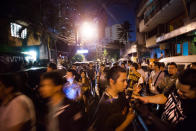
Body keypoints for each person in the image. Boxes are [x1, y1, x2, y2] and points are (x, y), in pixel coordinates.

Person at [92, 66, 135, 131]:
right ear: (112, 81)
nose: (126, 84)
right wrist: (127, 121)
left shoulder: (120, 94)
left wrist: (135, 94)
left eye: (126, 80)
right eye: (123, 81)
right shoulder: (104, 106)